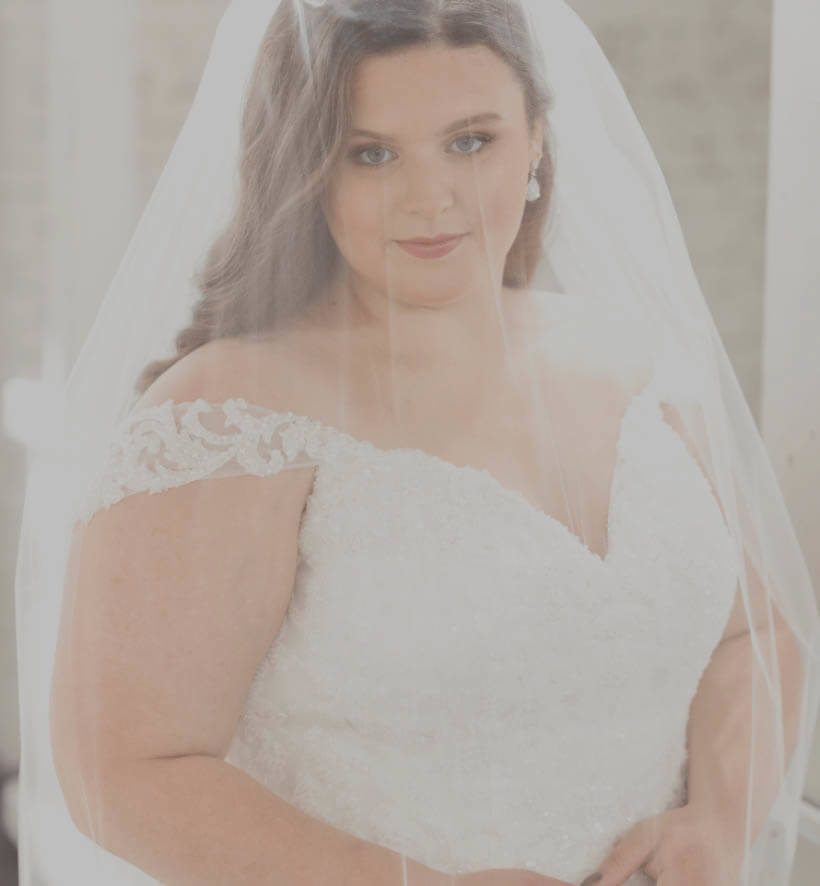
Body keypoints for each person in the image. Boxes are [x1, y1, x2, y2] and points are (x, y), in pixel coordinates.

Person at [14, 2, 819, 885]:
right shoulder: (234, 414)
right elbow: (120, 770)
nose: (431, 197)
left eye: (472, 141)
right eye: (372, 153)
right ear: (308, 169)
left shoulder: (634, 360)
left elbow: (753, 632)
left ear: (538, 140)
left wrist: (719, 818)